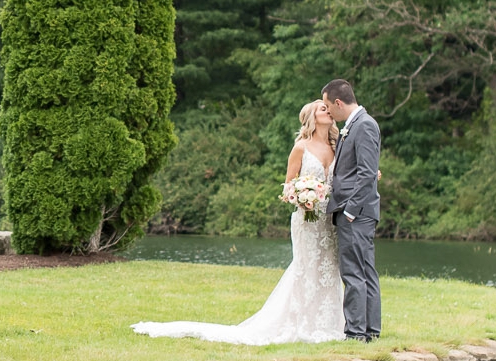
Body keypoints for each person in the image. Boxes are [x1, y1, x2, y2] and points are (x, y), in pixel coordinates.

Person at [130, 99, 345, 344]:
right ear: (311, 117)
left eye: (329, 109)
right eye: (322, 108)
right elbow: (288, 186)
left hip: (330, 220)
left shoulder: (337, 146)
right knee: (306, 268)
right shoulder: (301, 148)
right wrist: (303, 196)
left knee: (330, 267)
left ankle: (330, 323)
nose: (328, 111)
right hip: (306, 220)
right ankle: (303, 323)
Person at [320, 79, 380, 341]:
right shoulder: (353, 126)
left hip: (357, 213)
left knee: (355, 273)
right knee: (364, 271)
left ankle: (356, 333)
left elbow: (367, 174)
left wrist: (350, 211)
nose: (327, 112)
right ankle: (369, 332)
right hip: (358, 211)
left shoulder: (364, 125)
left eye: (326, 106)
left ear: (338, 103)